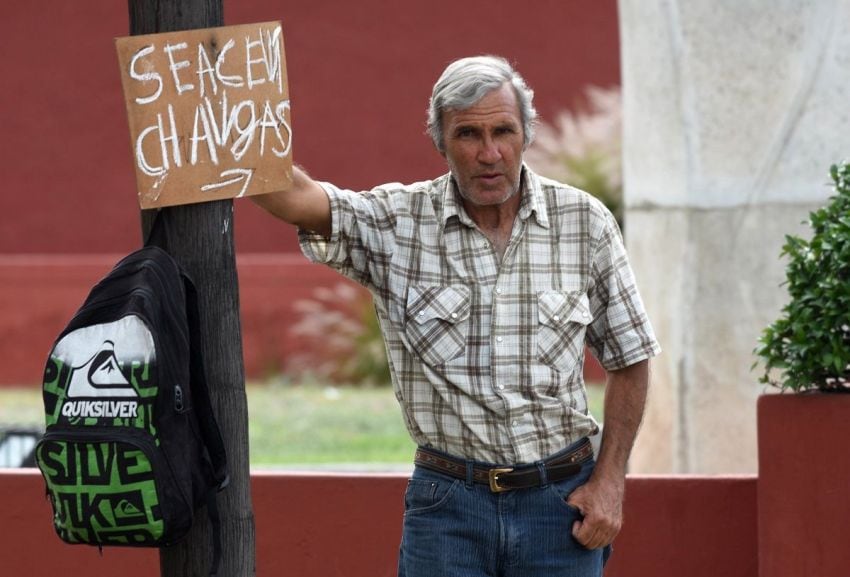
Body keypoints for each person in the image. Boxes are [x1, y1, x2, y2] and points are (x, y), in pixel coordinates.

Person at [252, 55, 660, 577]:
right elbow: (297, 198)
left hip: (561, 509)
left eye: (503, 132)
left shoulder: (585, 222)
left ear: (526, 135)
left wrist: (610, 482)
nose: (489, 153)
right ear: (440, 141)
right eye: (468, 134)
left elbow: (631, 358)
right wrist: (229, 126)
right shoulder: (397, 224)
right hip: (448, 509)